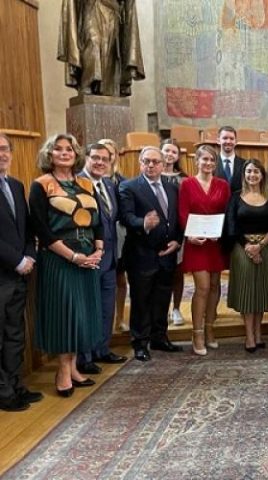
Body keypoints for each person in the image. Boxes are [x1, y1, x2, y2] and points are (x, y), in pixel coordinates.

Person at [29, 133, 104, 397]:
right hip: (59, 258)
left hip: (87, 257)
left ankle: (72, 367)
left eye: (69, 149)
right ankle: (62, 370)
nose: (64, 153)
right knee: (64, 314)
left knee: (81, 314)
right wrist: (72, 256)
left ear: (76, 154)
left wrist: (98, 251)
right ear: (49, 154)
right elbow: (41, 229)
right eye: (58, 149)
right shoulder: (41, 185)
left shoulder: (86, 183)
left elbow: (99, 222)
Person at [119, 146, 183, 361]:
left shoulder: (172, 187)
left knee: (162, 298)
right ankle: (140, 342)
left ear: (163, 165)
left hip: (167, 253)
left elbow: (176, 218)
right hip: (141, 254)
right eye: (146, 161)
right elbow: (126, 217)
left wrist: (178, 241)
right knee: (141, 300)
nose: (151, 165)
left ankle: (159, 337)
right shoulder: (129, 187)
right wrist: (143, 223)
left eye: (155, 162)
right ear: (140, 163)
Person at [76, 143, 128, 376]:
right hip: (88, 257)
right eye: (95, 157)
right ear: (86, 158)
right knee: (89, 308)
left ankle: (102, 349)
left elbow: (113, 219)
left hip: (110, 258)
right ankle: (85, 357)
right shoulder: (77, 183)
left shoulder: (108, 184)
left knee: (107, 306)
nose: (100, 162)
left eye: (104, 159)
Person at [0, 133, 42, 411]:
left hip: (19, 274)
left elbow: (27, 228)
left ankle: (15, 384)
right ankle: (3, 392)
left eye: (5, 149)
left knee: (15, 334)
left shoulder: (15, 185)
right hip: (3, 272)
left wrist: (29, 255)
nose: (1, 154)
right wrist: (16, 260)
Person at [179, 145, 231, 356]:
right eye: (205, 159)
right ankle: (197, 333)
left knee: (215, 286)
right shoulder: (187, 184)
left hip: (216, 243)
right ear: (197, 161)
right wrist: (189, 235)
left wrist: (223, 231)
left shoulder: (223, 185)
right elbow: (183, 212)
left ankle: (210, 329)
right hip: (196, 243)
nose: (208, 163)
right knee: (202, 287)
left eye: (212, 160)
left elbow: (227, 213)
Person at [226, 160, 268, 352]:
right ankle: (249, 335)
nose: (252, 175)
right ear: (244, 174)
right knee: (247, 292)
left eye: (256, 171)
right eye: (248, 171)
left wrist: (260, 246)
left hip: (266, 247)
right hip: (242, 248)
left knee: (261, 292)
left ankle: (258, 333)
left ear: (262, 175)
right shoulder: (235, 197)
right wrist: (248, 246)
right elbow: (231, 225)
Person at [58, 0, 145, 97]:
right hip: (90, 8)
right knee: (92, 41)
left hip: (112, 11)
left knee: (109, 53)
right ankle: (87, 82)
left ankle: (102, 87)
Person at [99, 138, 130, 334]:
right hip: (98, 235)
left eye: (110, 154)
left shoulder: (122, 181)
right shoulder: (88, 179)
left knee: (120, 278)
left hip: (119, 234)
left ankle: (119, 318)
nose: (106, 158)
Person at [160, 139, 188, 327]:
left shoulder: (184, 179)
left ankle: (176, 308)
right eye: (166, 150)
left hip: (179, 231)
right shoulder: (152, 174)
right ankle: (161, 309)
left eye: (173, 152)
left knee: (178, 271)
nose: (169, 155)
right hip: (159, 231)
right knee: (160, 273)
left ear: (178, 156)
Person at [214, 126, 246, 191]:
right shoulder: (212, 163)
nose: (228, 141)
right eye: (225, 138)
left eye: (231, 138)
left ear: (236, 141)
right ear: (218, 141)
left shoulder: (244, 164)